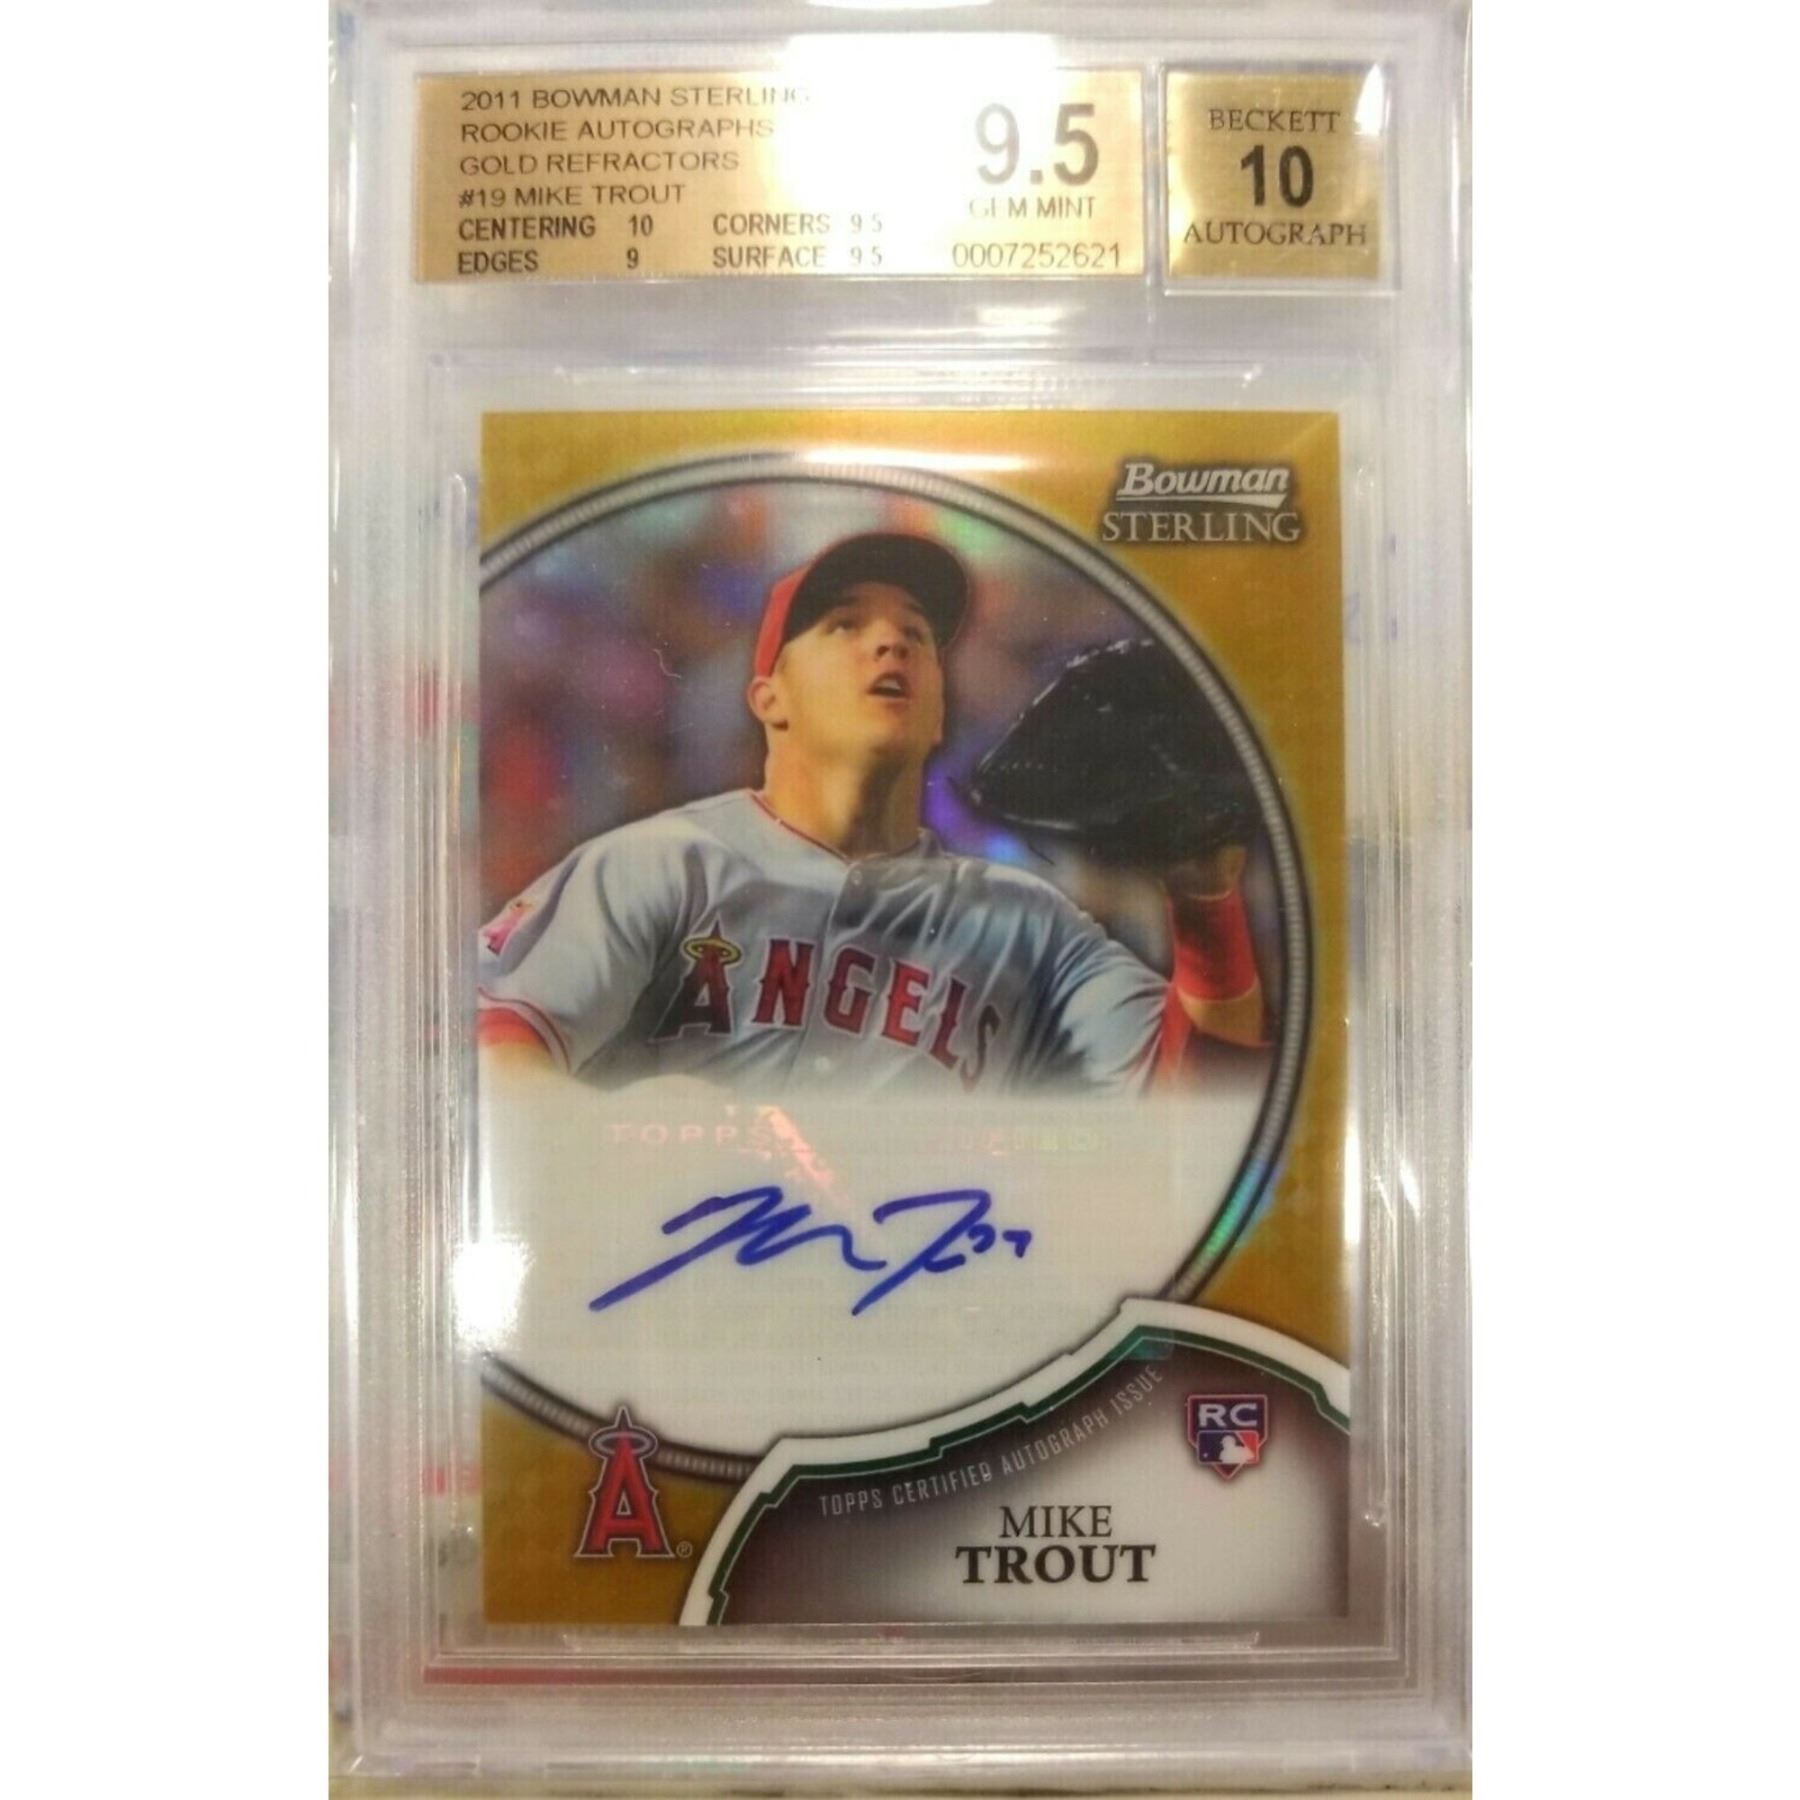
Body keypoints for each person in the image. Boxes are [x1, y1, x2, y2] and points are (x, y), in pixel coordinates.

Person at [477, 531, 1265, 1095]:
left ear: (939, 709)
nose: (891, 644)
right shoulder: (656, 866)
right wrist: (619, 1141)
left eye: (916, 634)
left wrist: (1205, 908)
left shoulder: (1031, 925)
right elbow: (493, 1055)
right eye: (845, 625)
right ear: (769, 698)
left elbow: (1204, 1102)